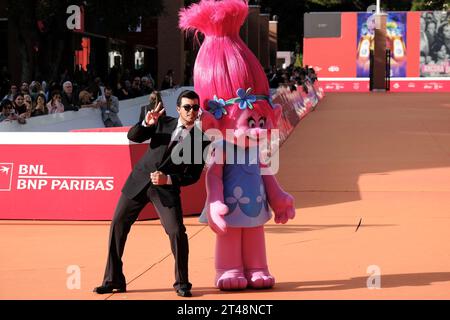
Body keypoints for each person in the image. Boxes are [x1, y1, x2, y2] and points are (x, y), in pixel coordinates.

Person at [93, 90, 211, 297]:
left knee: (176, 232)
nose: (191, 111)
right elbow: (133, 137)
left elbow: (193, 176)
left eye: (195, 107)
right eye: (187, 107)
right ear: (178, 109)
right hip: (138, 182)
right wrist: (146, 123)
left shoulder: (200, 140)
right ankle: (113, 279)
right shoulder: (162, 122)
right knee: (118, 226)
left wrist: (169, 179)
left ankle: (182, 283)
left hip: (165, 190)